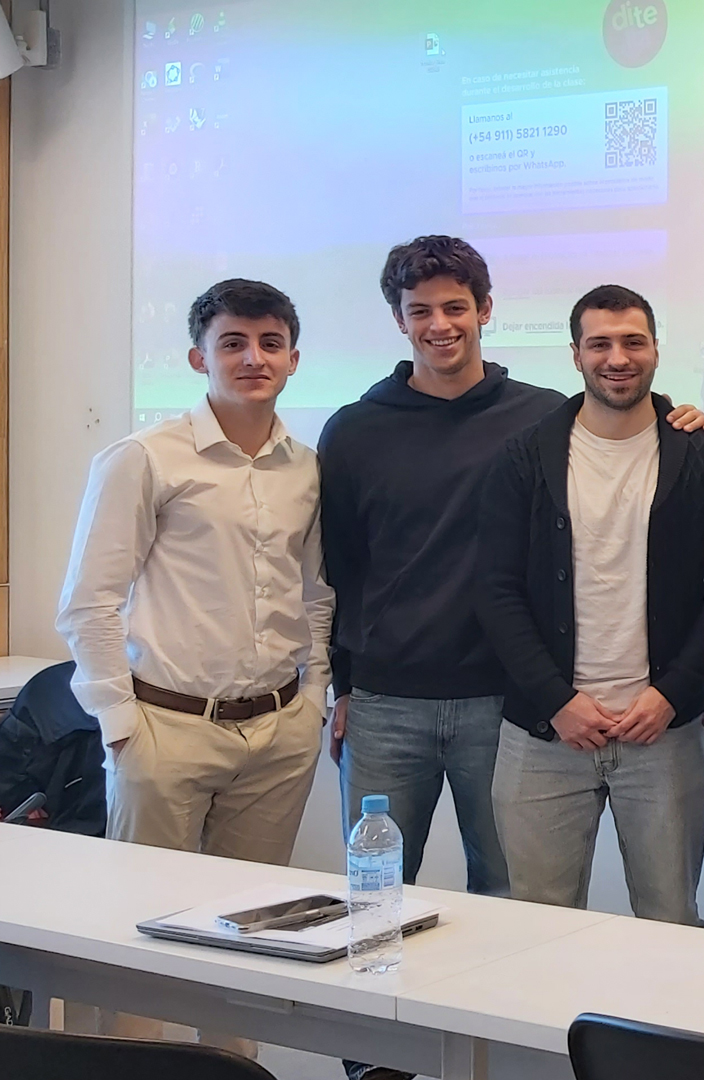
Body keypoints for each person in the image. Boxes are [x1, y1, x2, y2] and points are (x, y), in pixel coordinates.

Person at [319, 235, 704, 907]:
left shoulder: (537, 420)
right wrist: (344, 684)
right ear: (399, 319)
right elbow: (339, 566)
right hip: (387, 704)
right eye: (421, 311)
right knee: (372, 896)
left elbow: (620, 408)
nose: (439, 325)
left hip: (500, 703)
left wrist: (681, 415)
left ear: (485, 310)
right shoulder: (354, 429)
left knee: (509, 901)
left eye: (455, 307)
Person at [56, 279, 333, 1053]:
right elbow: (88, 601)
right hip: (165, 726)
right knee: (144, 939)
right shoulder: (143, 459)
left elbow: (317, 596)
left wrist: (311, 701)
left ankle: (231, 1067)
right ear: (197, 356)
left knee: (252, 934)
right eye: (233, 343)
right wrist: (120, 725)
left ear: (294, 358)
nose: (253, 358)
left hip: (277, 733)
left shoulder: (304, 469)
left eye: (270, 343)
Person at [477, 285, 704, 921]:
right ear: (575, 354)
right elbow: (495, 589)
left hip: (663, 736)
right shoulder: (524, 456)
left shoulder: (703, 456)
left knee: (670, 921)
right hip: (546, 736)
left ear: (655, 351)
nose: (617, 357)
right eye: (600, 343)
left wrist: (674, 691)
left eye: (633, 342)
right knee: (537, 924)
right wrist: (557, 701)